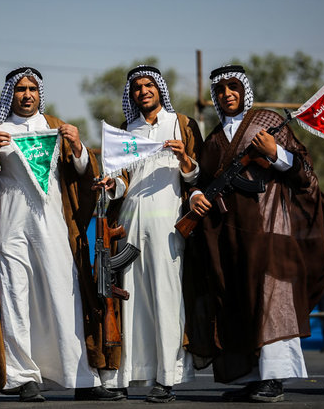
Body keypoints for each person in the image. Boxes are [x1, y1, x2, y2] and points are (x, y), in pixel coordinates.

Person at [0, 67, 124, 402]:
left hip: (52, 226)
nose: (26, 95)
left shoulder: (54, 127)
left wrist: (78, 146)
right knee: (15, 299)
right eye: (20, 89)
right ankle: (24, 378)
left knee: (65, 296)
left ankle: (80, 377)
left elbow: (81, 172)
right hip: (9, 225)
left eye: (33, 89)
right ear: (10, 94)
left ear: (40, 93)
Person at [188, 65, 324, 403]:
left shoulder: (266, 122)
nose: (226, 93)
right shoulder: (214, 139)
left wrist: (276, 153)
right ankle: (253, 376)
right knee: (242, 303)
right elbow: (200, 183)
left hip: (272, 228)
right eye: (220, 89)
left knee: (274, 301)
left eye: (233, 86)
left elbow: (306, 174)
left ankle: (274, 377)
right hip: (232, 237)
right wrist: (195, 196)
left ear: (244, 89)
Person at [94, 65, 203, 403]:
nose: (143, 91)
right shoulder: (128, 129)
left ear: (159, 90)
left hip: (166, 221)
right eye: (137, 87)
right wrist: (113, 184)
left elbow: (196, 177)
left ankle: (166, 378)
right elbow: (124, 179)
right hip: (130, 220)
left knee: (166, 296)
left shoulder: (181, 123)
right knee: (132, 299)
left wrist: (185, 157)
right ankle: (129, 374)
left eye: (149, 85)